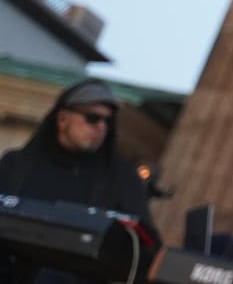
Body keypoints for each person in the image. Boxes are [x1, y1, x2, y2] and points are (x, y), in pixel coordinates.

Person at [0, 80, 161, 282]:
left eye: (108, 121)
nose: (101, 127)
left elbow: (145, 244)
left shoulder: (121, 176)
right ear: (62, 119)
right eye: (92, 118)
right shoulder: (16, 164)